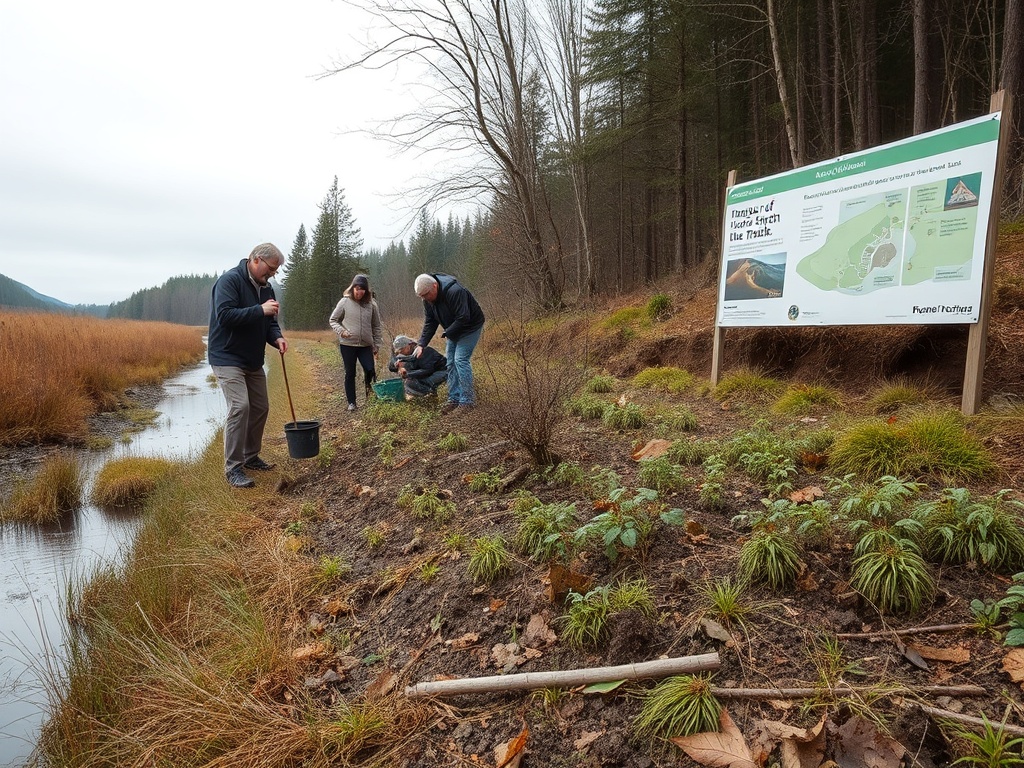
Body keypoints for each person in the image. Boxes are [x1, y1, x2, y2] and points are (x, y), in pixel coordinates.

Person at [208, 243, 288, 489]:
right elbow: (226, 316)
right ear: (256, 259)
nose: (272, 274)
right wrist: (259, 310)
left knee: (261, 407)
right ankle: (233, 468)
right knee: (240, 406)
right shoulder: (229, 282)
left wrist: (277, 337)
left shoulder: (267, 289)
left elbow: (270, 322)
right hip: (227, 357)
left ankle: (251, 457)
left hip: (252, 359)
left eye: (275, 271)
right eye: (271, 269)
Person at [413, 273, 484, 413]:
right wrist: (421, 344)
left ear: (435, 286)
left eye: (426, 294)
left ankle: (468, 401)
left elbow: (464, 317)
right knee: (450, 362)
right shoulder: (427, 299)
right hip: (453, 329)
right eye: (422, 297)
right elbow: (430, 322)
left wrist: (447, 332)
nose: (425, 299)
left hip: (470, 327)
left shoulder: (454, 291)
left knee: (460, 360)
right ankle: (454, 398)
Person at [329, 274, 382, 412]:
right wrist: (342, 331)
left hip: (366, 345)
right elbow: (333, 320)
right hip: (347, 345)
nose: (359, 292)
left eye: (362, 289)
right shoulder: (344, 302)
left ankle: (370, 398)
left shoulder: (372, 304)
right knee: (350, 372)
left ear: (366, 290)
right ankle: (352, 402)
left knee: (370, 370)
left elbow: (376, 326)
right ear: (353, 288)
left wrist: (377, 344)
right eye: (357, 289)